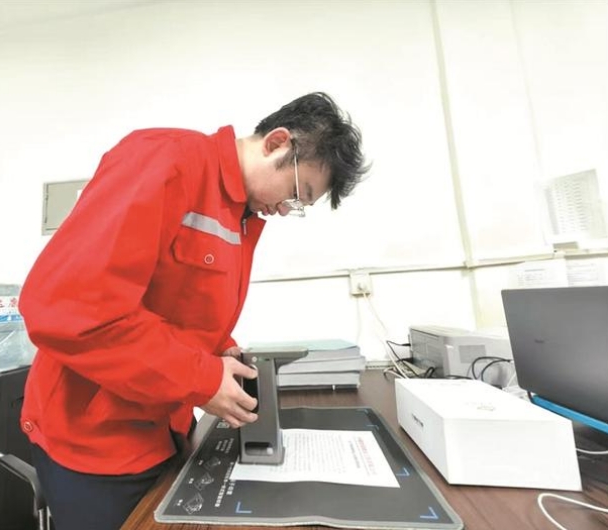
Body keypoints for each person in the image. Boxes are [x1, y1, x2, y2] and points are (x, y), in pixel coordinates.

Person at [18, 92, 367, 530]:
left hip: (162, 428)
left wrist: (222, 354)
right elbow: (69, 310)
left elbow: (176, 309)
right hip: (95, 443)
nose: (285, 209)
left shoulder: (239, 214)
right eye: (297, 193)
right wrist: (202, 378)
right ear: (277, 143)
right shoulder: (165, 161)